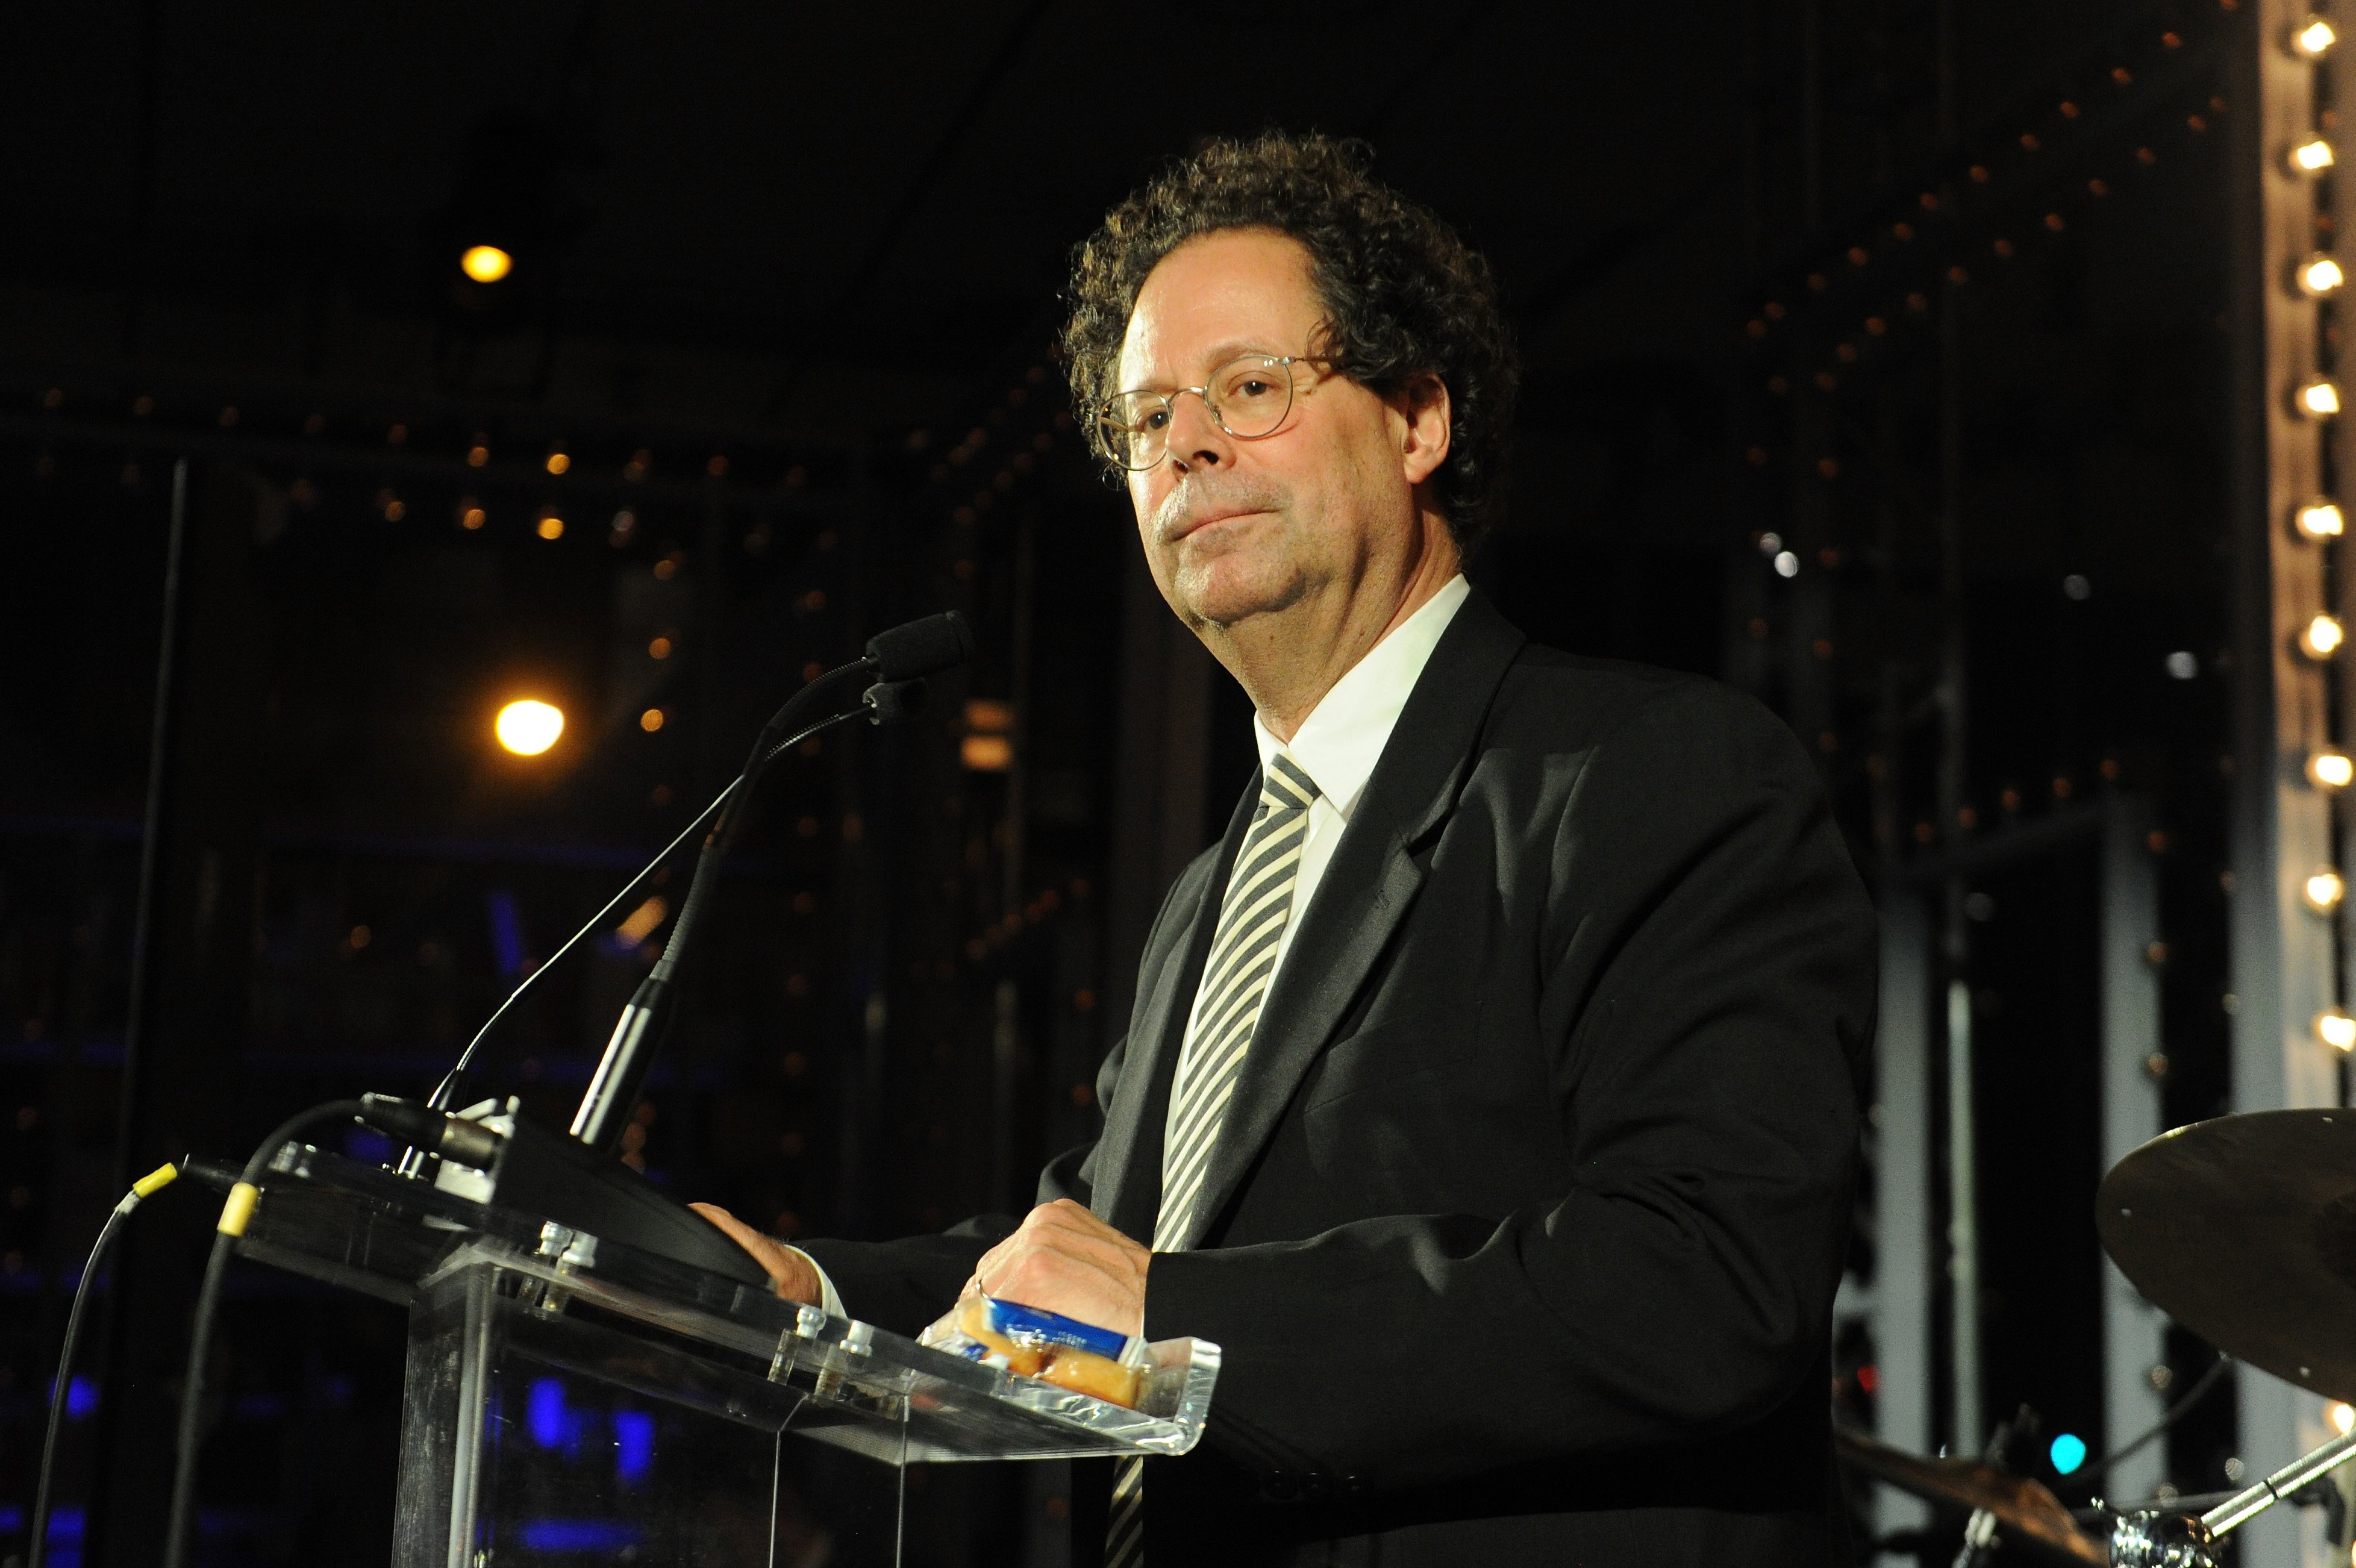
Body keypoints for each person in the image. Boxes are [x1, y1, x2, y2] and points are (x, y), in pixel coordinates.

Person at [695, 131, 1875, 1566]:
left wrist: (1178, 1323)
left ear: (1419, 419)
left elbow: (1707, 1283)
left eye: (1251, 390)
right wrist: (798, 1291)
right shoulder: (1214, 894)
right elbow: (1090, 1251)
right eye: (1145, 420)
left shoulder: (1648, 775)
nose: (1185, 444)